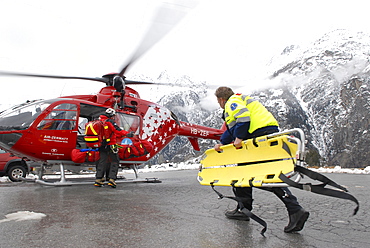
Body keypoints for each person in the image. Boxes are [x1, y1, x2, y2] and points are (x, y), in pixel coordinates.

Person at [214, 86, 309, 233]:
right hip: (266, 132)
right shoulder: (240, 100)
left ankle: (293, 209)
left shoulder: (232, 102)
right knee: (249, 172)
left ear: (221, 99)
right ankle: (245, 209)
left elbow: (243, 119)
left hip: (257, 135)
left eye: (218, 101)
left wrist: (239, 138)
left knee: (251, 174)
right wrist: (222, 143)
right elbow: (231, 129)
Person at [94, 108, 130, 188]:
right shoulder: (109, 122)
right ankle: (112, 180)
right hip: (111, 144)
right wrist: (127, 134)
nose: (114, 117)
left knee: (102, 161)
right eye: (113, 116)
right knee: (115, 161)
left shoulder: (99, 121)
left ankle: (98, 179)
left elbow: (110, 132)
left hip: (102, 145)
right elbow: (117, 130)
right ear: (110, 115)